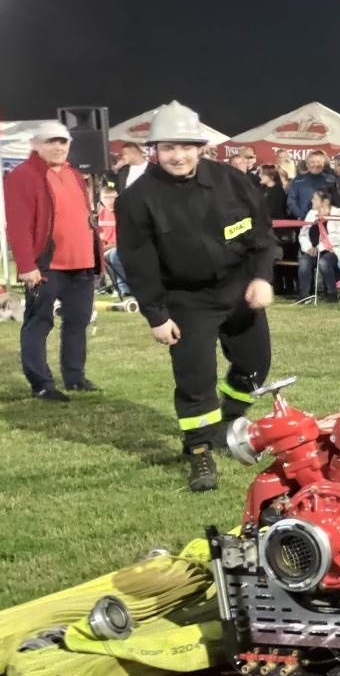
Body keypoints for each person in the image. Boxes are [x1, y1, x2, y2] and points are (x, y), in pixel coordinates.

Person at [115, 102, 276, 492]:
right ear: (154, 149)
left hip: (239, 290)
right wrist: (156, 315)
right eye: (168, 147)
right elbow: (139, 264)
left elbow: (262, 235)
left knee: (255, 365)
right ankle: (200, 451)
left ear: (200, 146)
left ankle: (229, 420)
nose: (178, 155)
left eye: (186, 146)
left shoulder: (232, 181)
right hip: (187, 300)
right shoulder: (136, 200)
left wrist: (262, 277)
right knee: (195, 380)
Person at [4, 120, 103, 402]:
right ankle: (41, 383)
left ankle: (75, 377)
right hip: (46, 267)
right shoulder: (23, 176)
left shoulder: (73, 174)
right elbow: (18, 225)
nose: (58, 147)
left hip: (81, 265)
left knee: (78, 322)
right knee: (39, 323)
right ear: (35, 144)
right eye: (51, 141)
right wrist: (26, 266)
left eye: (62, 141)